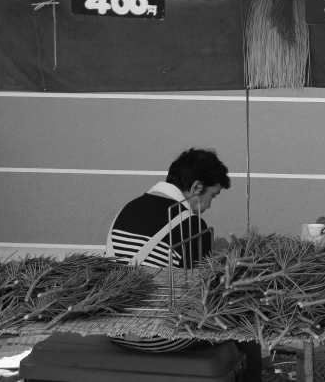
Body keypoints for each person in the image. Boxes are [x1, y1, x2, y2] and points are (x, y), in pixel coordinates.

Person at [105, 148, 262, 381]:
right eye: (213, 195)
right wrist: (222, 258)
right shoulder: (190, 225)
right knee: (249, 328)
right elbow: (203, 296)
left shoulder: (126, 209)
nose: (209, 205)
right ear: (197, 187)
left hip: (113, 328)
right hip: (159, 336)